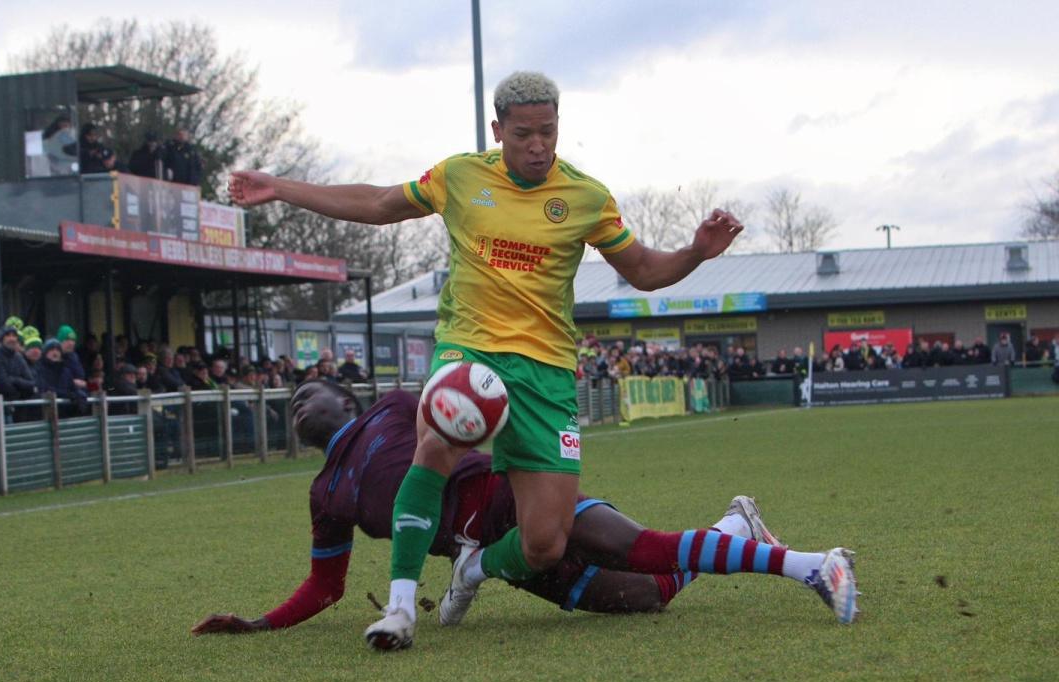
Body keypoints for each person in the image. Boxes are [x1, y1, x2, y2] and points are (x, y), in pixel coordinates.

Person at [230, 70, 745, 651]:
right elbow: (377, 203)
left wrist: (696, 253)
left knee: (545, 542)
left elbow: (646, 271)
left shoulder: (587, 197)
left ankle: (473, 568)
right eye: (523, 133)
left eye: (547, 132)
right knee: (435, 441)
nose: (537, 145)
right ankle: (401, 607)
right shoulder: (459, 176)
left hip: (545, 371)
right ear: (497, 130)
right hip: (469, 349)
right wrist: (278, 186)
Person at [191, 382, 857, 637]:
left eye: (311, 391)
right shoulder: (324, 494)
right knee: (645, 597)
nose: (301, 403)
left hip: (514, 495)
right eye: (293, 405)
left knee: (636, 543)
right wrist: (258, 623)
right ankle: (734, 524)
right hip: (490, 557)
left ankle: (810, 566)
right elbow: (325, 584)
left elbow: (477, 406)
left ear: (346, 397)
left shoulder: (398, 405)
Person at [0, 326, 37, 408]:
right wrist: (20, 391)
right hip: (0, 407)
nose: (12, 339)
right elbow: (3, 386)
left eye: (14, 336)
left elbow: (31, 384)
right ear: (2, 339)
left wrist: (15, 380)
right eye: (8, 336)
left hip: (17, 406)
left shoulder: (18, 357)